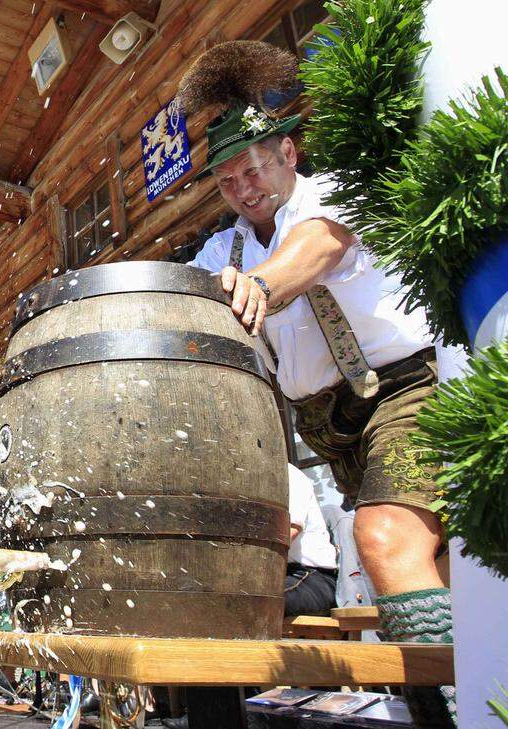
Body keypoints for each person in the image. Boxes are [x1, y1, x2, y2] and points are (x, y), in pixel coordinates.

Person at [177, 40, 454, 726]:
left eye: (252, 171)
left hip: (403, 391)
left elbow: (319, 251)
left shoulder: (333, 196)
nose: (243, 189)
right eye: (228, 181)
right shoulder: (226, 247)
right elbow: (193, 293)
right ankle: (455, 700)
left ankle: (459, 713)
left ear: (287, 154)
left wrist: (258, 288)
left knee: (385, 538)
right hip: (325, 428)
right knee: (413, 565)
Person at [284, 466, 338, 617]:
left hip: (311, 578)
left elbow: (287, 532)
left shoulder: (288, 473)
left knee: (246, 599)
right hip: (276, 575)